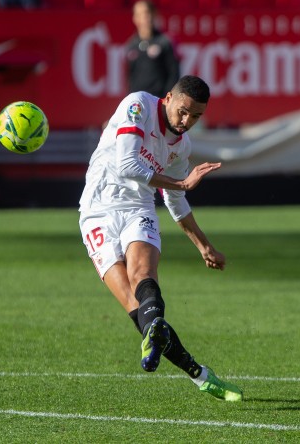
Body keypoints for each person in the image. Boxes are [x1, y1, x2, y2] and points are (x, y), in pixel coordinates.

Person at [78, 75, 243, 402]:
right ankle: (199, 374)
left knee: (143, 276)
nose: (187, 121)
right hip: (97, 210)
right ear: (168, 98)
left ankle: (186, 362)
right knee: (136, 306)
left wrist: (204, 246)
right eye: (183, 111)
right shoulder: (137, 105)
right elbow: (127, 165)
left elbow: (174, 200)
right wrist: (181, 184)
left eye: (195, 116)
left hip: (138, 207)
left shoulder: (181, 147)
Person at [125, 0, 180, 98]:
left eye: (147, 12)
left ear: (154, 14)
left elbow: (174, 73)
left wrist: (166, 100)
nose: (145, 17)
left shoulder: (165, 42)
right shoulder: (131, 44)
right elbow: (130, 76)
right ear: (135, 18)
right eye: (140, 14)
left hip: (159, 99)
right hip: (138, 101)